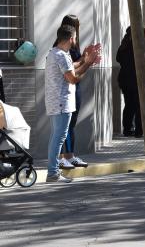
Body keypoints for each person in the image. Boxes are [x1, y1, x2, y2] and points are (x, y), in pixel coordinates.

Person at [45, 25, 98, 183]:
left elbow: (71, 67)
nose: (76, 40)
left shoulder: (56, 53)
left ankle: (53, 171)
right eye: (75, 37)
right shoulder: (61, 55)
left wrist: (83, 59)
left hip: (56, 103)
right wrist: (88, 63)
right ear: (70, 38)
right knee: (58, 138)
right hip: (61, 103)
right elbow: (73, 78)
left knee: (56, 137)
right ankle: (53, 173)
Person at [58, 14, 98, 170]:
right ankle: (62, 157)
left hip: (74, 89)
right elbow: (71, 70)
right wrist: (85, 61)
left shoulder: (72, 46)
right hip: (67, 91)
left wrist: (85, 59)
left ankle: (70, 155)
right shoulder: (62, 49)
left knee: (71, 123)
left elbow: (75, 66)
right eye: (77, 27)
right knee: (65, 125)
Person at [116, 27, 142, 138]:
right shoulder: (137, 46)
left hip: (124, 79)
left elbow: (118, 59)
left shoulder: (123, 46)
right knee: (138, 105)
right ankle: (138, 131)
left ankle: (127, 129)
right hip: (135, 79)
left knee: (129, 105)